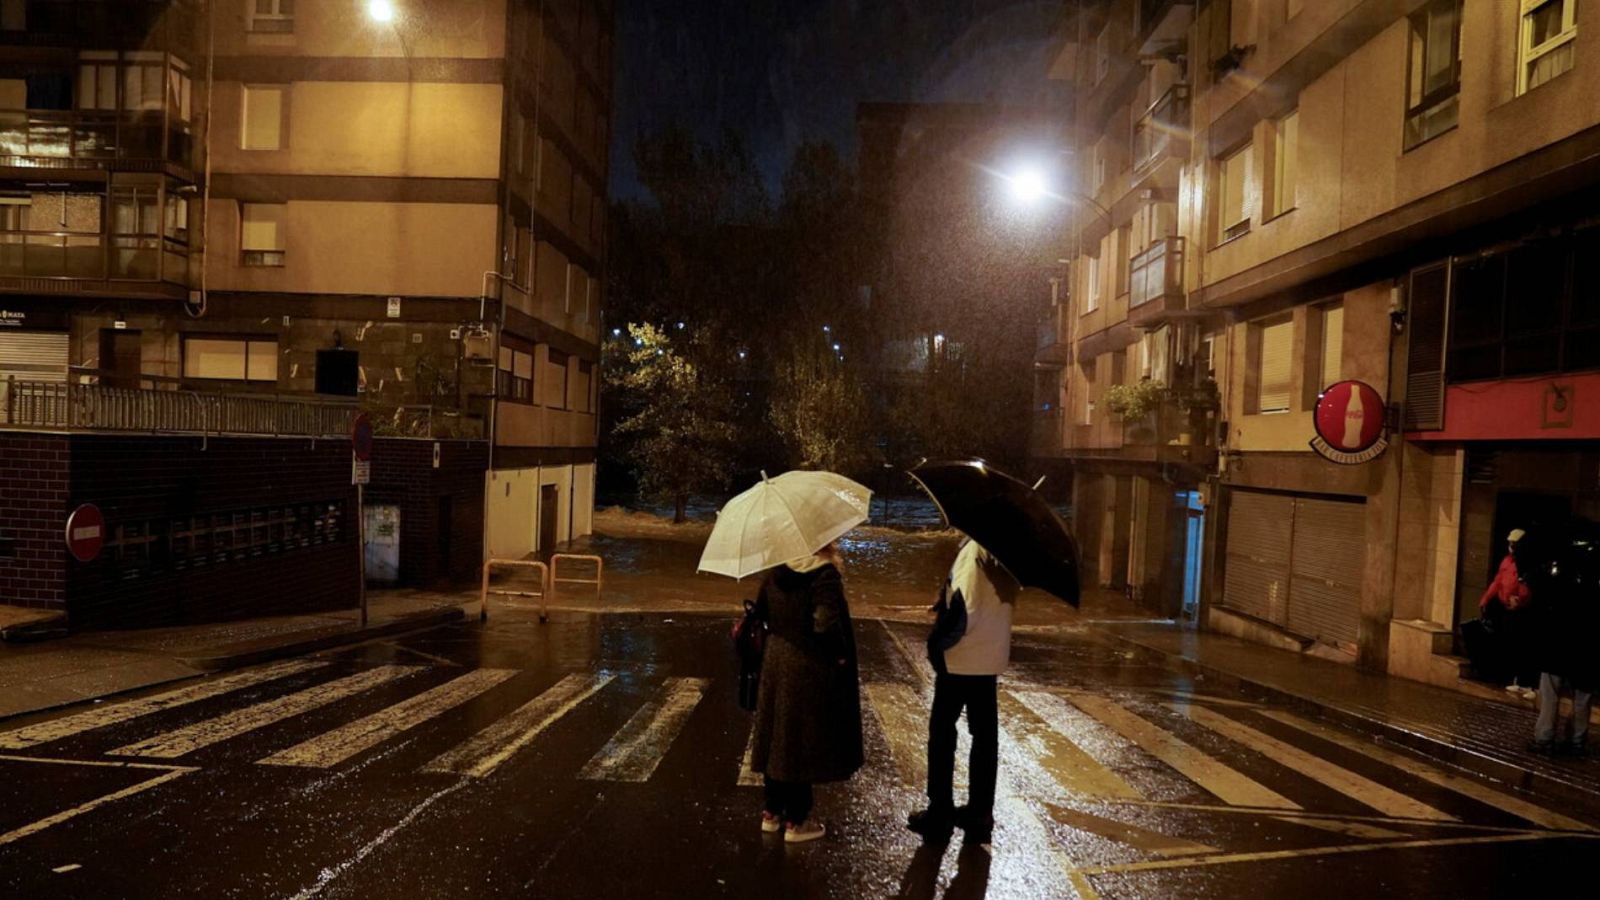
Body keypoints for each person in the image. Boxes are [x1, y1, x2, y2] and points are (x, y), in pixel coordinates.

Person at [907, 537, 1020, 847]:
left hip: (961, 660)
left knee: (942, 734)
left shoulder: (973, 553)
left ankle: (940, 811)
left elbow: (965, 609)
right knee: (985, 738)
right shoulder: (1003, 557)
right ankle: (980, 811)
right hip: (989, 659)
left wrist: (935, 643)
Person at [748, 542, 863, 843]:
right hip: (807, 663)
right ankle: (796, 821)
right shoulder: (823, 575)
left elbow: (761, 611)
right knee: (799, 740)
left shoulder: (777, 571)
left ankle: (772, 812)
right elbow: (825, 622)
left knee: (776, 735)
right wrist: (838, 655)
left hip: (775, 661)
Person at [1529, 524, 1598, 755]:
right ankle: (1577, 740)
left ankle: (1544, 737)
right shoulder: (1594, 572)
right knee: (1582, 696)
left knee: (1550, 693)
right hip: (1587, 644)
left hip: (1559, 643)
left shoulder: (1560, 570)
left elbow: (1546, 602)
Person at [1477, 528, 1536, 698]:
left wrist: (1520, 598)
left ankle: (1529, 683)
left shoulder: (1526, 562)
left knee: (1525, 646)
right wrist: (1486, 599)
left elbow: (1527, 584)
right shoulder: (1507, 561)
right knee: (1514, 644)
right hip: (1508, 608)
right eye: (1510, 543)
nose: (1511, 546)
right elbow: (1498, 582)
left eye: (1514, 543)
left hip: (1523, 609)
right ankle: (1518, 680)